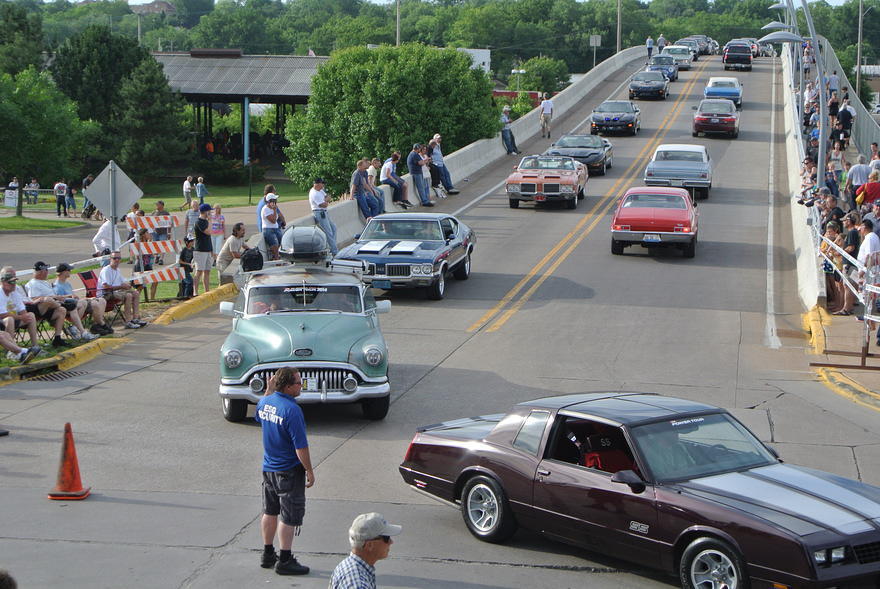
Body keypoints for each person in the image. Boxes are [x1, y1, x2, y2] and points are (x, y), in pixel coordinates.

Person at [255, 367, 314, 576]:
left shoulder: (265, 402)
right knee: (288, 516)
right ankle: (285, 559)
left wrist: (268, 390)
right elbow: (301, 447)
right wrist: (309, 470)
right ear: (288, 386)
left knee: (270, 511)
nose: (301, 385)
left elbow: (259, 417)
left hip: (268, 469)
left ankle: (268, 553)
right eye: (299, 382)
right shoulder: (292, 410)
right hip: (288, 471)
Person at [26, 261, 97, 342]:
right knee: (67, 304)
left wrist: (60, 297)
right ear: (40, 272)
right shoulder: (33, 284)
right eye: (46, 270)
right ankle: (80, 331)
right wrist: (56, 298)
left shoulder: (45, 282)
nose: (47, 272)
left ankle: (59, 338)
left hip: (54, 306)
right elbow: (34, 299)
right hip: (43, 309)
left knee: (66, 309)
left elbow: (54, 296)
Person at [329, 513, 401, 589]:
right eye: (386, 538)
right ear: (369, 545)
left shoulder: (346, 565)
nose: (391, 542)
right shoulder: (359, 584)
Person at [53, 262, 112, 335]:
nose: (70, 271)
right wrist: (70, 296)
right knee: (94, 304)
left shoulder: (67, 283)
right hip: (70, 307)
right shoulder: (57, 286)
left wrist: (88, 298)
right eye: (69, 270)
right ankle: (100, 325)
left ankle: (98, 325)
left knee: (102, 300)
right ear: (63, 272)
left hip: (78, 303)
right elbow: (60, 299)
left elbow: (75, 298)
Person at [97, 251, 145, 330]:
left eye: (119, 258)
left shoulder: (117, 270)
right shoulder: (106, 270)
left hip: (117, 292)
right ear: (110, 259)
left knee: (136, 293)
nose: (117, 260)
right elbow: (105, 286)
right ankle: (128, 321)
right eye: (114, 258)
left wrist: (127, 285)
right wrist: (121, 286)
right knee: (128, 295)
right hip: (106, 294)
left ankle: (135, 318)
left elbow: (123, 282)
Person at [0, 268, 41, 349]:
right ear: (3, 283)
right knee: (9, 319)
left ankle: (35, 346)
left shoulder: (14, 292)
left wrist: (25, 316)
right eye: (11, 282)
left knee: (31, 315)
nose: (14, 284)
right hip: (2, 321)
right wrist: (20, 317)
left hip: (14, 318)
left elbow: (21, 308)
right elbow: (2, 314)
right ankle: (11, 349)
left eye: (15, 281)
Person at [309, 178, 338, 255]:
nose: (323, 185)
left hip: (324, 212)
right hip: (319, 213)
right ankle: (334, 251)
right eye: (322, 183)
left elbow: (328, 196)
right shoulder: (314, 193)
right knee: (328, 232)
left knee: (333, 228)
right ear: (317, 184)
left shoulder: (320, 190)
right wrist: (326, 200)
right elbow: (323, 204)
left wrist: (326, 200)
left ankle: (332, 247)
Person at [193, 203, 213, 295]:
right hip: (200, 250)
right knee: (199, 271)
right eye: (209, 211)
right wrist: (210, 221)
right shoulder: (199, 222)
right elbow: (208, 232)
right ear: (205, 212)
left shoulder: (206, 221)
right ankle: (195, 291)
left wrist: (211, 250)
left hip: (207, 249)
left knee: (207, 270)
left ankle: (206, 291)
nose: (210, 213)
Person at [261, 193, 285, 261]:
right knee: (275, 244)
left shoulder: (273, 208)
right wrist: (274, 210)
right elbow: (273, 220)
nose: (275, 203)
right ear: (269, 202)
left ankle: (280, 257)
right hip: (268, 229)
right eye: (274, 201)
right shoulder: (265, 209)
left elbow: (277, 218)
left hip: (276, 228)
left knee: (281, 241)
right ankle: (277, 259)